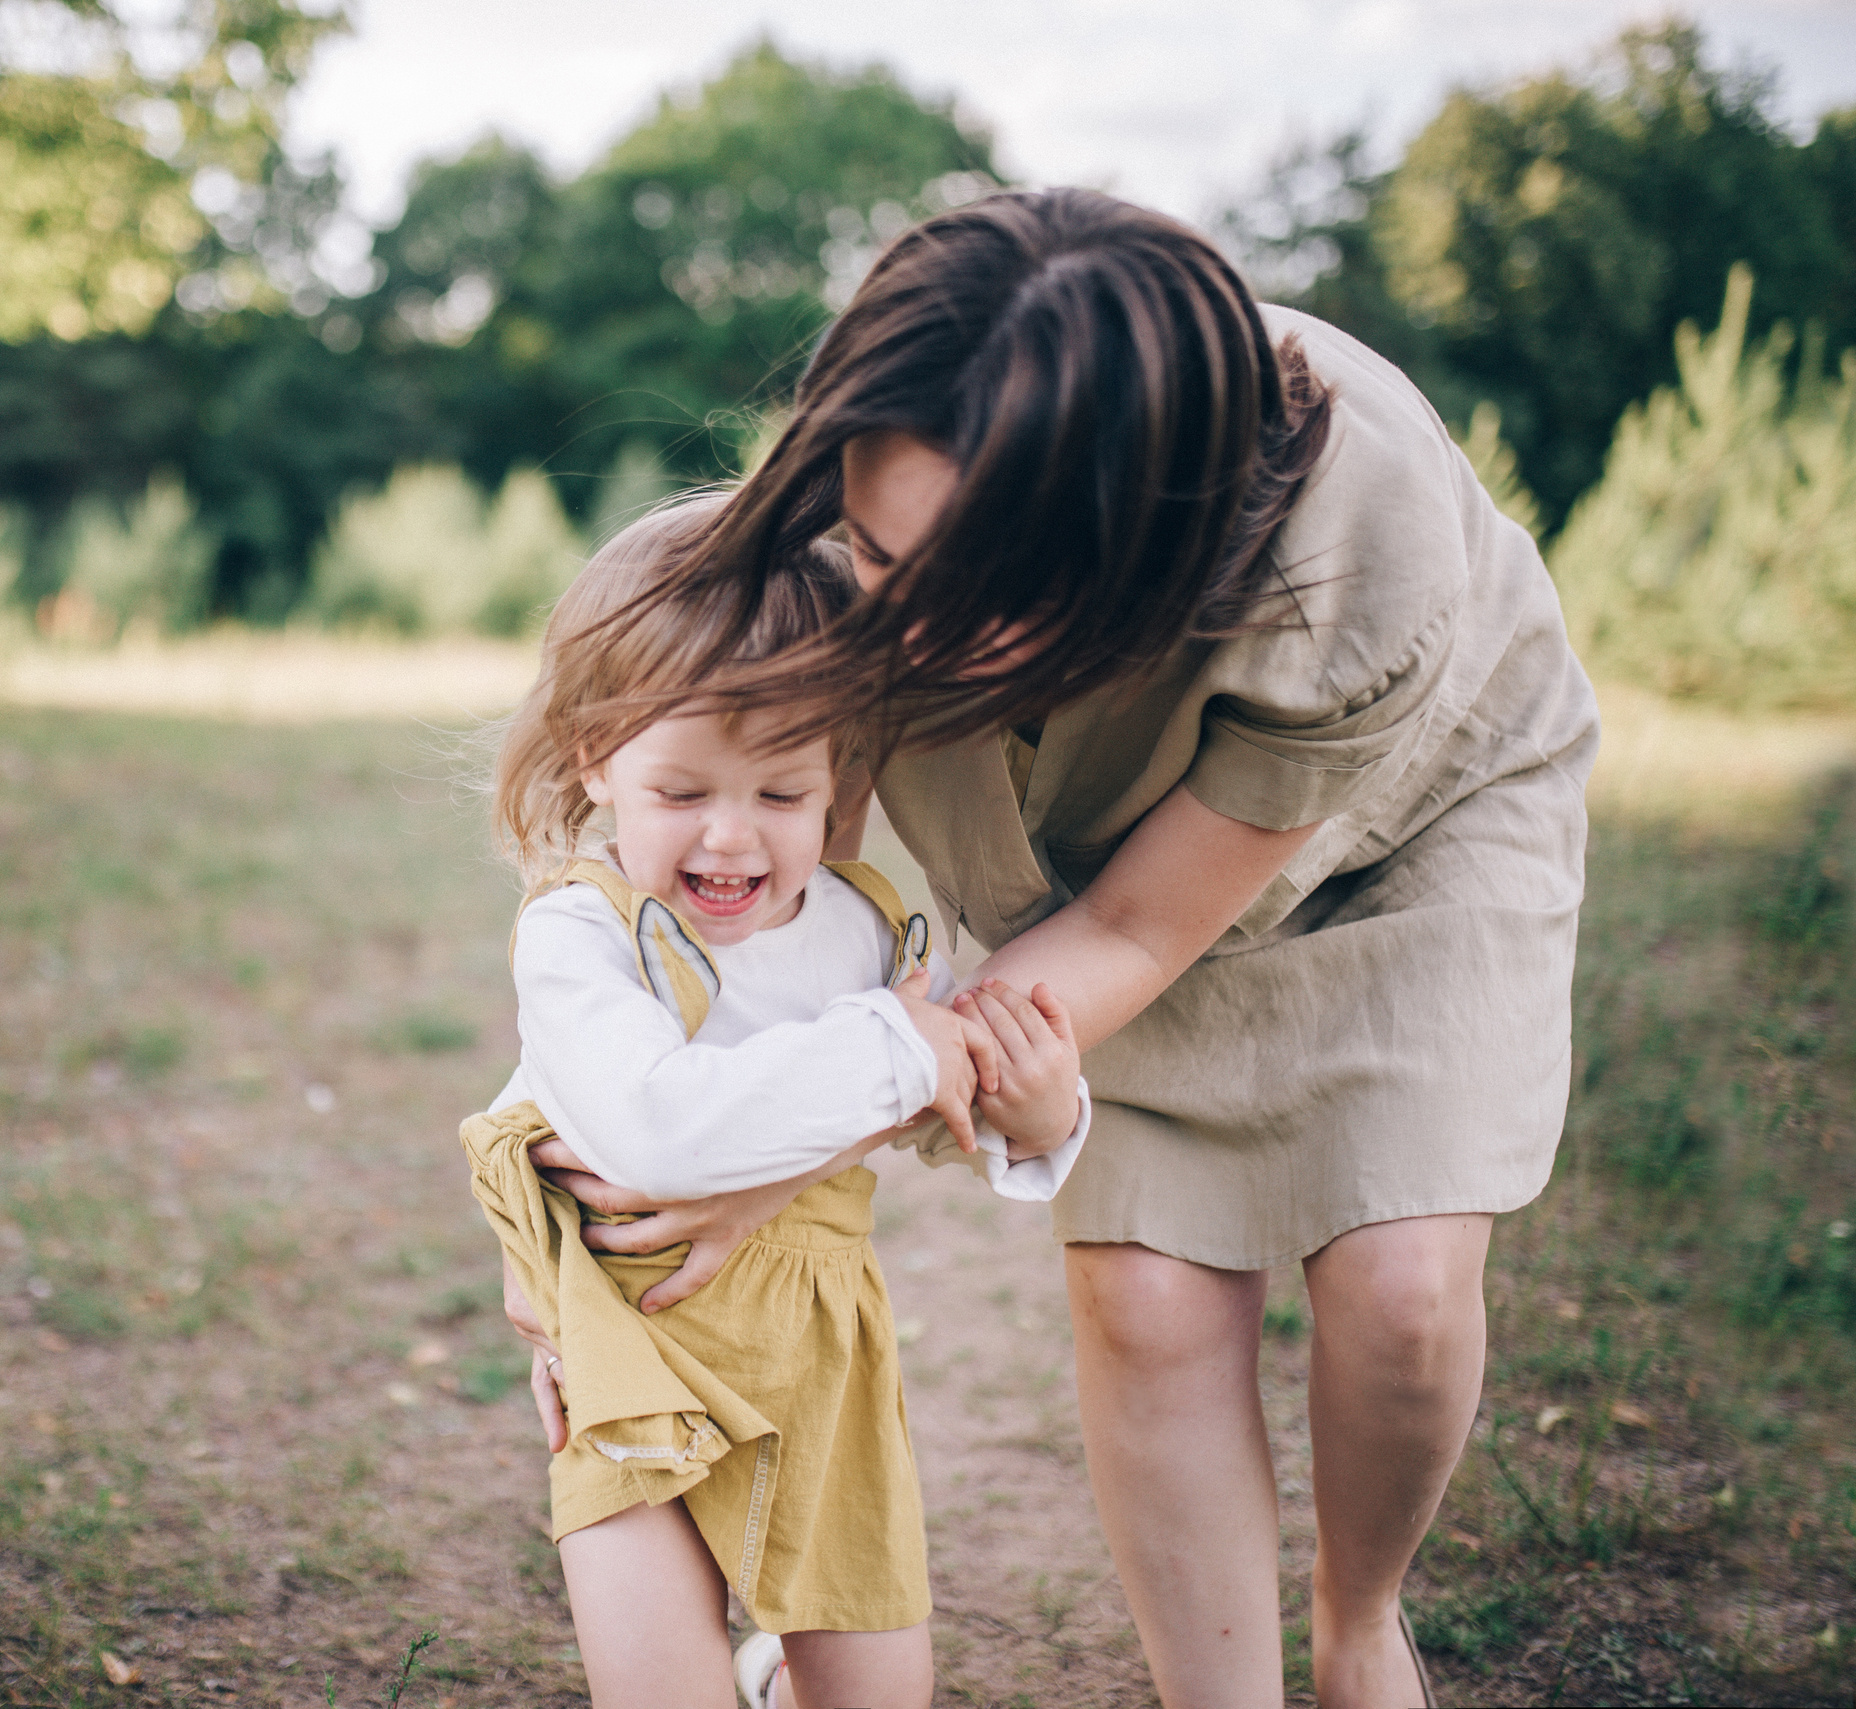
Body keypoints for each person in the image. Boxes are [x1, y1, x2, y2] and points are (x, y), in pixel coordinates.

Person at [519, 190, 1598, 1709]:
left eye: (975, 589)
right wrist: (582, 1212)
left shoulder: (1361, 544)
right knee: (1149, 1293)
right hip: (1066, 838)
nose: (899, 630)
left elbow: (1146, 924)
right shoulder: (872, 467)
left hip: (1411, 822)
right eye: (884, 558)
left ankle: (1361, 1619)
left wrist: (787, 1150)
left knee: (1404, 1290)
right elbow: (709, 899)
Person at [465, 493, 1091, 1709]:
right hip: (638, 1355)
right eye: (682, 789)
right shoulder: (578, 935)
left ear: (841, 772)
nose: (731, 839)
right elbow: (659, 1129)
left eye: (781, 794)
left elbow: (959, 1105)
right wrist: (902, 1040)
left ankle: (782, 1680)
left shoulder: (864, 930)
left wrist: (1042, 1103)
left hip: (822, 1365)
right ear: (596, 755)